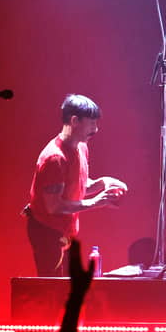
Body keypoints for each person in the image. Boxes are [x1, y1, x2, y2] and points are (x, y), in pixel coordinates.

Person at [24, 94, 128, 276]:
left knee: (66, 291)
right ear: (74, 121)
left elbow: (78, 186)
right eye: (92, 124)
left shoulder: (81, 147)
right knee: (54, 292)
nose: (96, 129)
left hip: (63, 232)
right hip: (47, 232)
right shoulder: (54, 158)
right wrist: (96, 202)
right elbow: (54, 206)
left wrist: (103, 183)